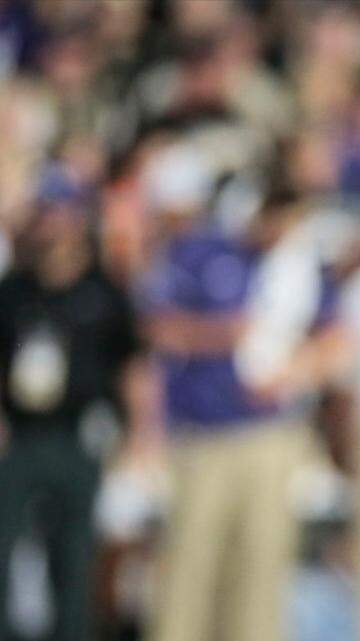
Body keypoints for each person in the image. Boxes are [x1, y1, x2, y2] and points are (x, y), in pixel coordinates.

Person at [145, 185, 349, 641]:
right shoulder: (201, 252)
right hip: (204, 438)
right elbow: (159, 329)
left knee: (262, 566)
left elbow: (337, 341)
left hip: (272, 437)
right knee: (189, 564)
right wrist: (224, 334)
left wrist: (297, 370)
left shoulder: (300, 264)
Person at [0, 174, 148, 641]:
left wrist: (141, 433)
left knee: (74, 555)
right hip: (18, 436)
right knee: (4, 546)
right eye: (45, 213)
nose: (51, 225)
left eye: (61, 213)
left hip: (80, 436)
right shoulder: (14, 290)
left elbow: (131, 366)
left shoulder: (104, 292)